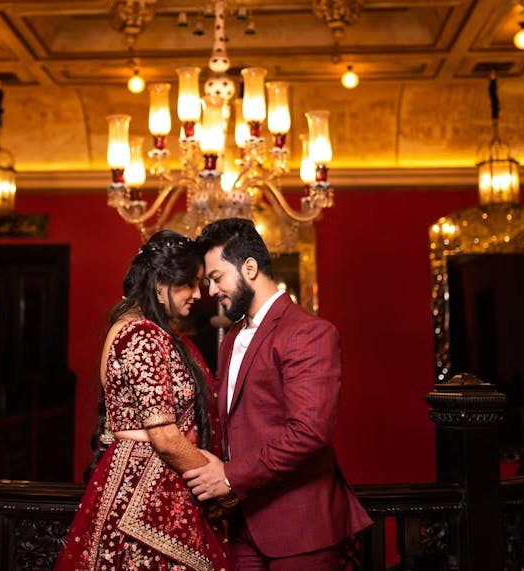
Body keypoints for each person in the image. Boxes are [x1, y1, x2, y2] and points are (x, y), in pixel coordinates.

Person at [183, 217, 371, 570]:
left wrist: (228, 476)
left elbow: (309, 433)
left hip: (299, 527)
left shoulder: (309, 333)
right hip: (240, 523)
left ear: (249, 268)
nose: (212, 291)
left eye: (216, 277)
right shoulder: (233, 338)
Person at [55, 230, 232, 571]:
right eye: (189, 284)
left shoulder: (133, 327)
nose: (198, 294)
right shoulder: (143, 334)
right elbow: (164, 437)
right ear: (160, 283)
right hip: (148, 490)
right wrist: (221, 483)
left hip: (146, 481)